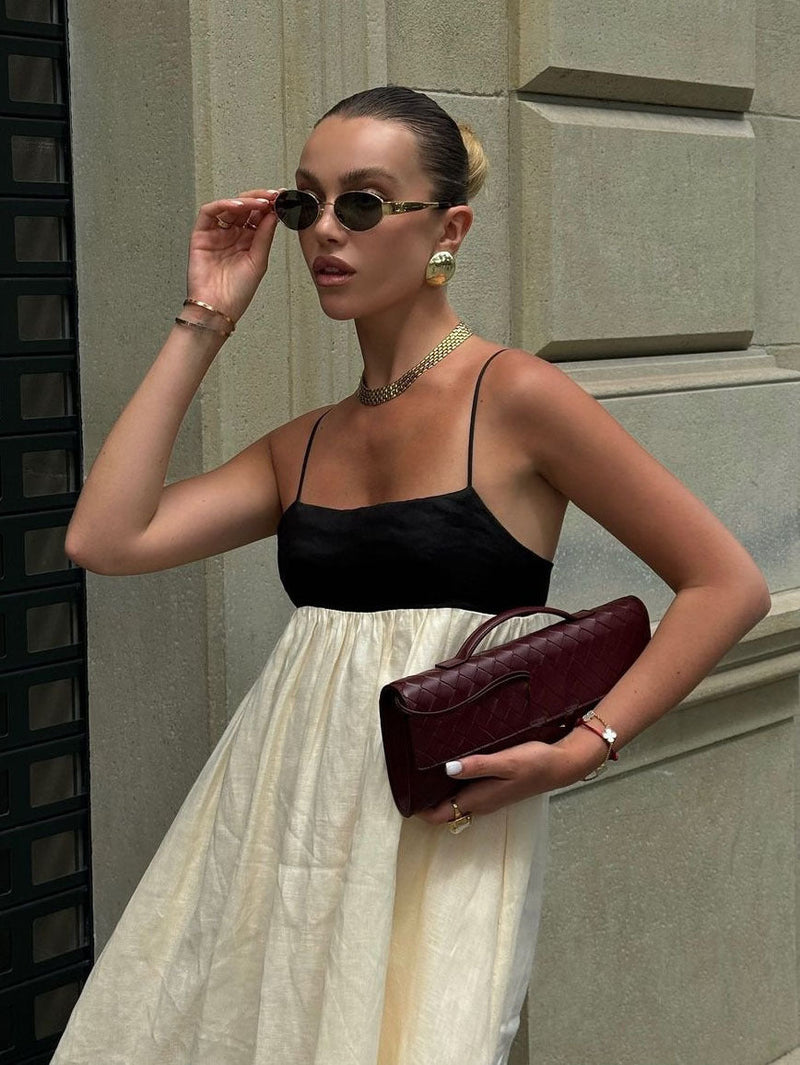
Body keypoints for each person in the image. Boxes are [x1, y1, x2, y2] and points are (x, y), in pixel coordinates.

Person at [54, 86, 770, 1065]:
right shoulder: (301, 445)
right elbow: (106, 537)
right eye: (306, 205)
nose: (324, 236)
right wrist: (207, 315)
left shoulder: (515, 397)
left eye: (363, 203)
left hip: (439, 812)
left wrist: (583, 746)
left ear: (447, 228)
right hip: (276, 813)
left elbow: (723, 585)